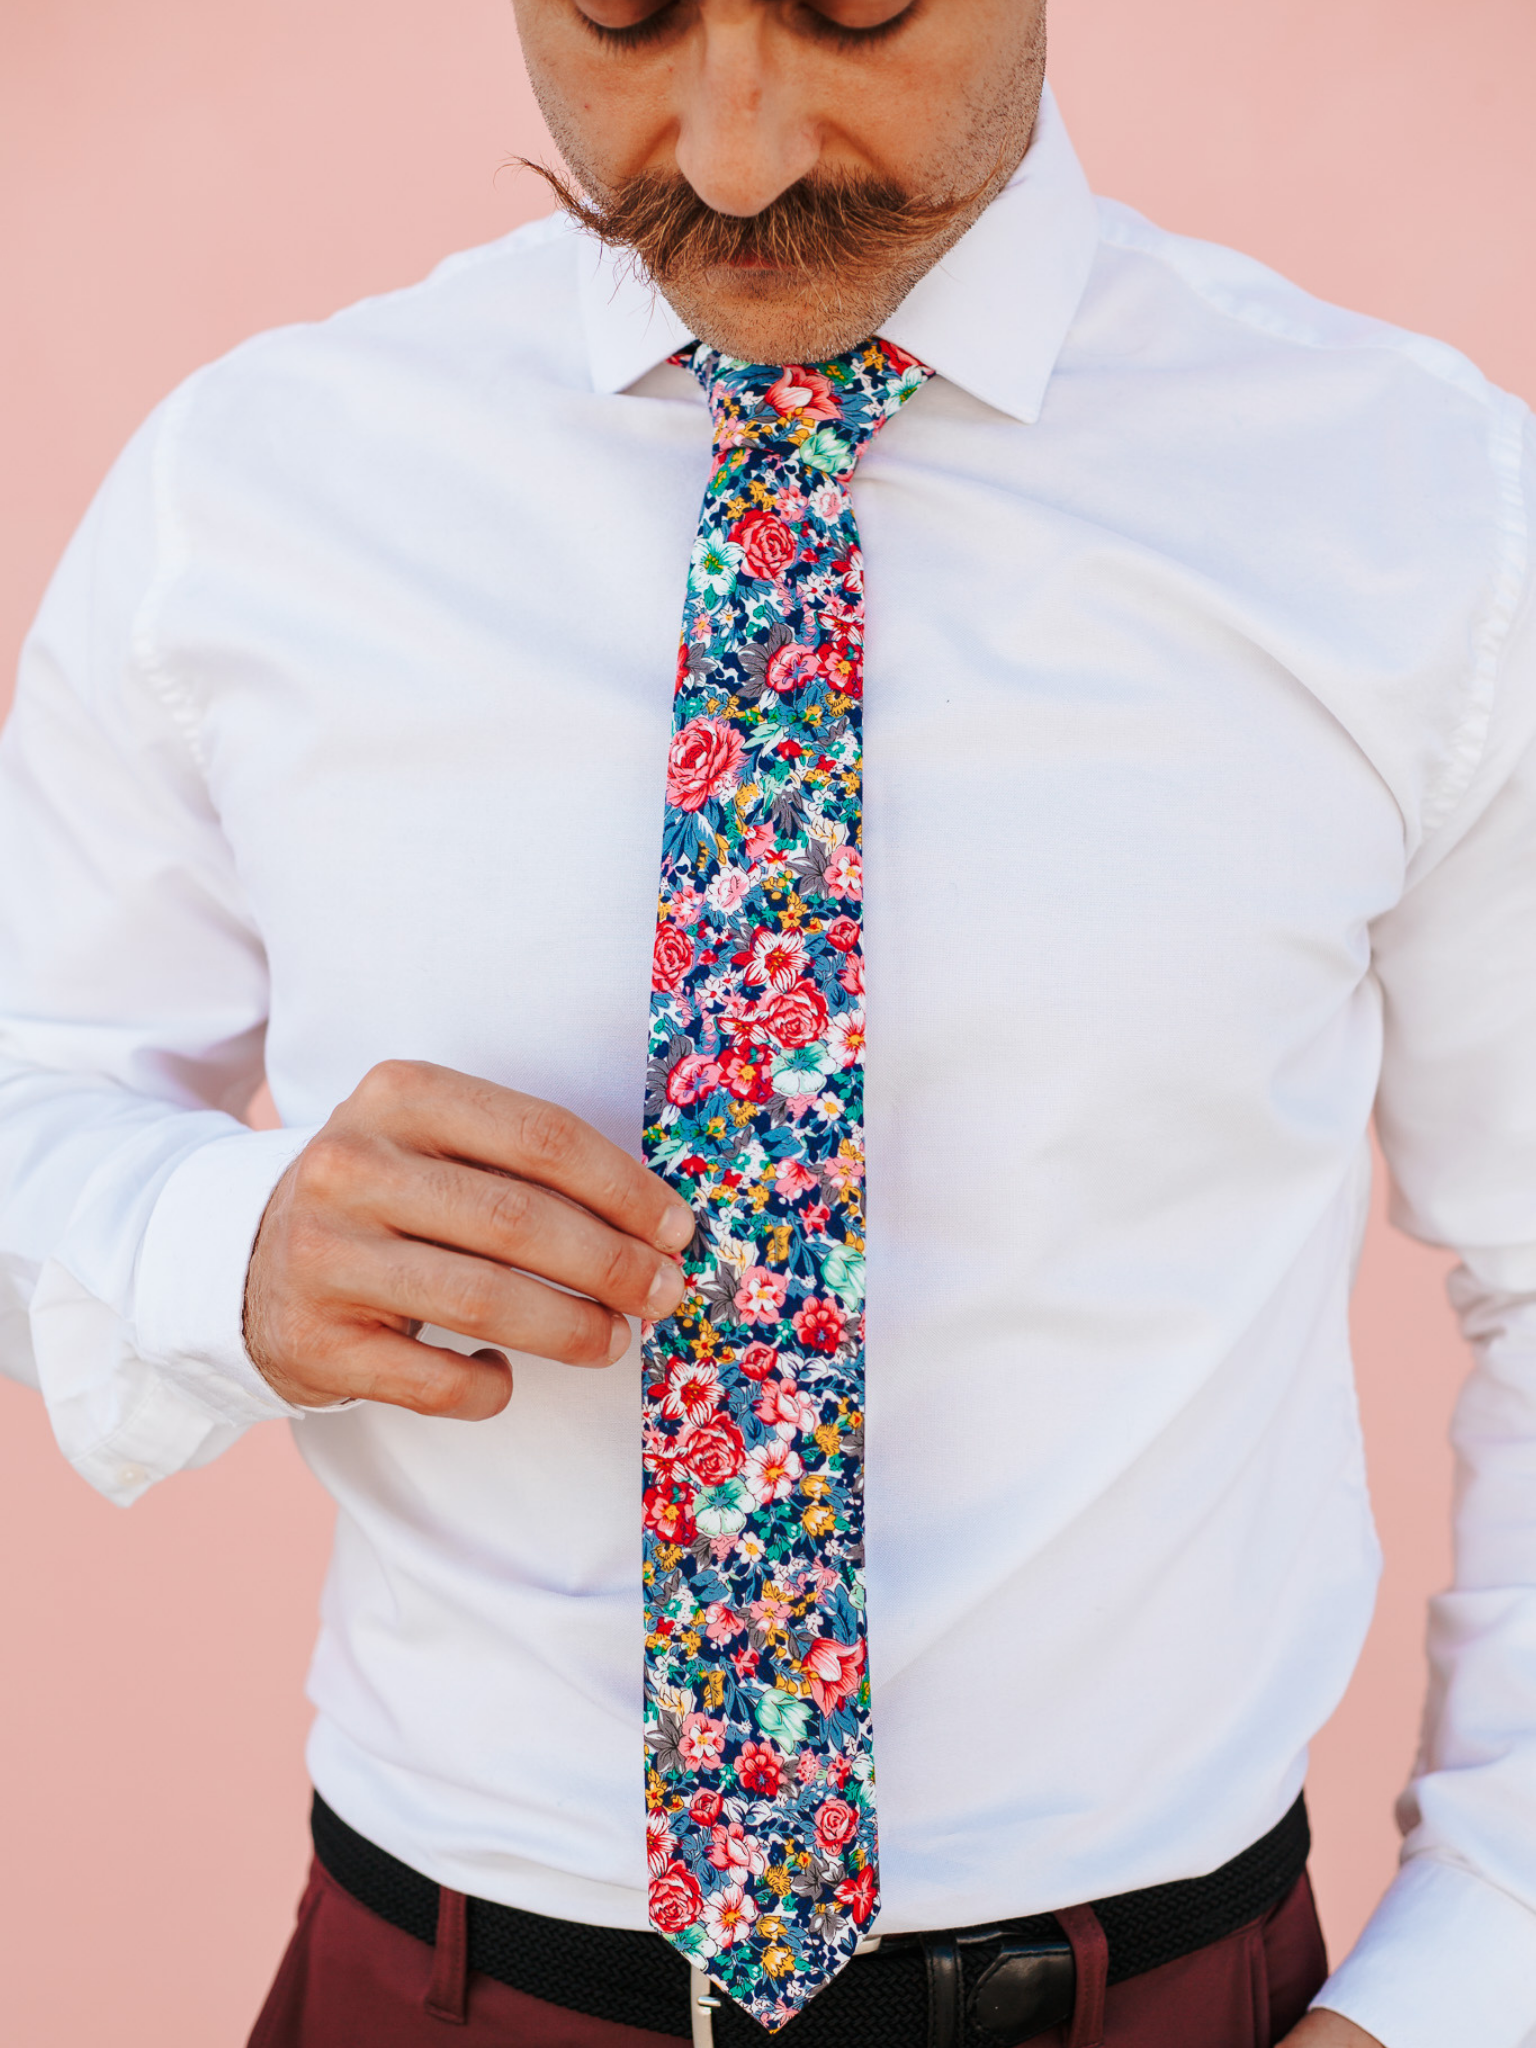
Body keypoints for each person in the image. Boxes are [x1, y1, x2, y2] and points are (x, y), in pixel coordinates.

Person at [2, 0, 1533, 2042]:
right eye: (623, 17)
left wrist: (1474, 1975)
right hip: (427, 1984)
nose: (728, 156)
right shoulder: (255, 491)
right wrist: (216, 1246)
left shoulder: (1418, 509)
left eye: (858, 7)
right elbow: (38, 1093)